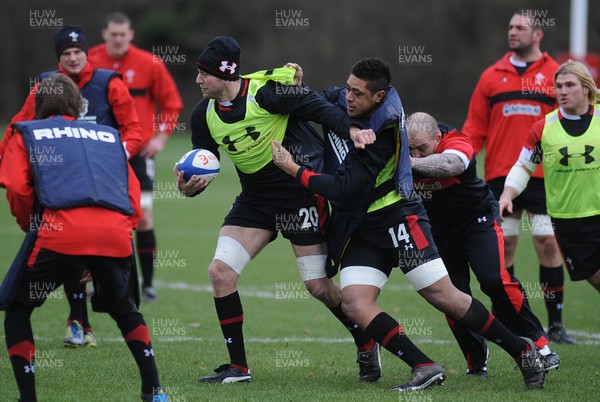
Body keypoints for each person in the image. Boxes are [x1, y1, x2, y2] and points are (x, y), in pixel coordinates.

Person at [271, 57, 546, 391]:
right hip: (364, 227)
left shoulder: (385, 131)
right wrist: (297, 84)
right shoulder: (346, 102)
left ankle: (523, 351)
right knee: (355, 303)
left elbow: (341, 188)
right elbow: (318, 100)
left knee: (445, 296)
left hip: (397, 218)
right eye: (348, 88)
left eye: (357, 93)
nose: (348, 97)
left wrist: (292, 168)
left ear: (379, 97)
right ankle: (424, 365)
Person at [175, 36, 381, 384]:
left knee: (318, 286)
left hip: (299, 195)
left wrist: (352, 129)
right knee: (220, 273)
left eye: (204, 74)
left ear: (225, 75)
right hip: (255, 202)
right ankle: (238, 368)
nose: (197, 81)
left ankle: (365, 340)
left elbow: (319, 108)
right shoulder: (203, 115)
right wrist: (189, 188)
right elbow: (204, 164)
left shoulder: (268, 94)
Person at [0, 74, 166, 402]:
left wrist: (30, 223)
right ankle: (154, 391)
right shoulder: (107, 135)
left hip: (59, 232)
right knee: (124, 308)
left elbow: (18, 187)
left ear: (39, 105)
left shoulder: (27, 132)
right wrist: (113, 237)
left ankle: (27, 398)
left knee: (19, 310)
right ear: (79, 103)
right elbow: (131, 193)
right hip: (115, 234)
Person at [1, 24, 144, 349]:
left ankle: (111, 311)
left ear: (86, 53)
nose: (73, 57)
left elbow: (132, 128)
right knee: (71, 245)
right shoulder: (46, 85)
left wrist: (114, 155)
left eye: (78, 52)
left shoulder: (108, 82)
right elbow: (19, 125)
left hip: (104, 177)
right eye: (66, 53)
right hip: (61, 176)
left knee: (95, 250)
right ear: (59, 58)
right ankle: (79, 321)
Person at [407, 111, 560, 376]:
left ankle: (539, 342)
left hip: (477, 220)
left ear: (438, 137)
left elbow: (449, 166)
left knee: (493, 279)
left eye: (422, 148)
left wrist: (405, 161)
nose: (417, 155)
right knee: (450, 295)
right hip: (438, 230)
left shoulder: (456, 142)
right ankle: (475, 356)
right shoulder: (400, 146)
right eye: (411, 149)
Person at [462, 10, 574, 344]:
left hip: (543, 176)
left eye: (520, 28)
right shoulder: (491, 76)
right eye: (510, 27)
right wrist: (461, 158)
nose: (513, 32)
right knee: (504, 247)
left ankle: (555, 325)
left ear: (538, 33)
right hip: (499, 175)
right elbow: (474, 128)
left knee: (547, 243)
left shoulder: (556, 75)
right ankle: (512, 319)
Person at [88, 12, 184, 303]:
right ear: (104, 33)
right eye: (113, 34)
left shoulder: (149, 63)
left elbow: (172, 103)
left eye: (123, 34)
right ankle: (102, 282)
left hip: (139, 153)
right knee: (99, 218)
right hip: (100, 152)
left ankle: (148, 285)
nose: (118, 39)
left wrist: (160, 137)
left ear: (131, 35)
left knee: (142, 217)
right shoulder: (88, 60)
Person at [499, 59, 600, 293]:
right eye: (559, 86)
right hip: (569, 222)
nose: (563, 91)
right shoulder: (543, 128)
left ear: (586, 87)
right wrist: (507, 195)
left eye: (570, 85)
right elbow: (523, 167)